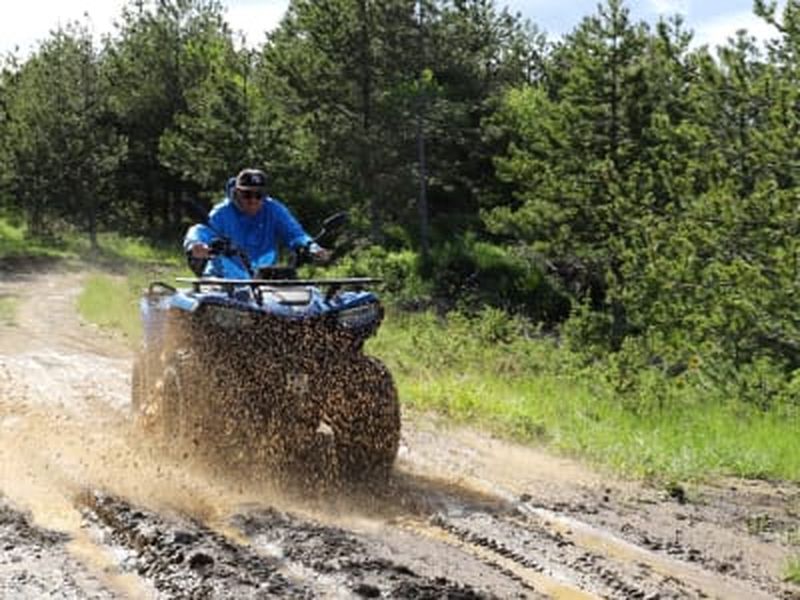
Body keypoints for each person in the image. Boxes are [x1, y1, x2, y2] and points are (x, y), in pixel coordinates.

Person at [184, 168, 331, 277]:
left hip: (263, 281)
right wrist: (196, 245)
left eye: (258, 195)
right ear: (237, 192)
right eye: (247, 194)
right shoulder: (223, 212)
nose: (253, 200)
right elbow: (201, 231)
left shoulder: (274, 209)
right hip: (224, 280)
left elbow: (295, 234)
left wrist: (313, 247)